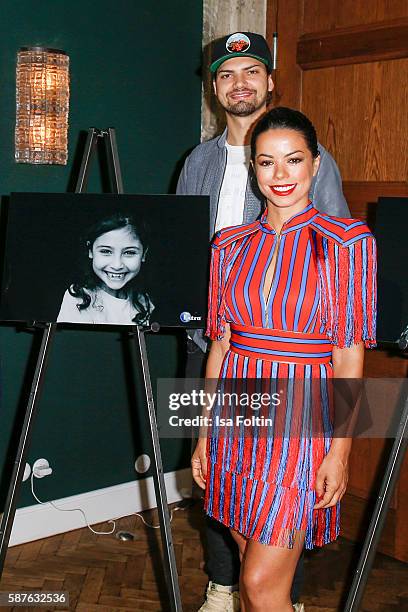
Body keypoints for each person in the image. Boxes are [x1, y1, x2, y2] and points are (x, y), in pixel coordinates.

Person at [177, 31, 350, 611]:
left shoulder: (312, 168)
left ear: (270, 81)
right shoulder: (198, 161)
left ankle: (277, 594)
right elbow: (183, 248)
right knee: (228, 499)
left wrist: (341, 443)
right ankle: (225, 587)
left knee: (278, 534)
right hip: (217, 349)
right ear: (214, 87)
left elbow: (341, 306)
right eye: (227, 74)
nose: (240, 83)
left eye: (252, 70)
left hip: (299, 368)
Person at [57, 212, 153, 325]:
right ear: (90, 251)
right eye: (106, 251)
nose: (117, 265)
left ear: (144, 254)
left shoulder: (143, 302)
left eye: (129, 252)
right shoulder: (79, 297)